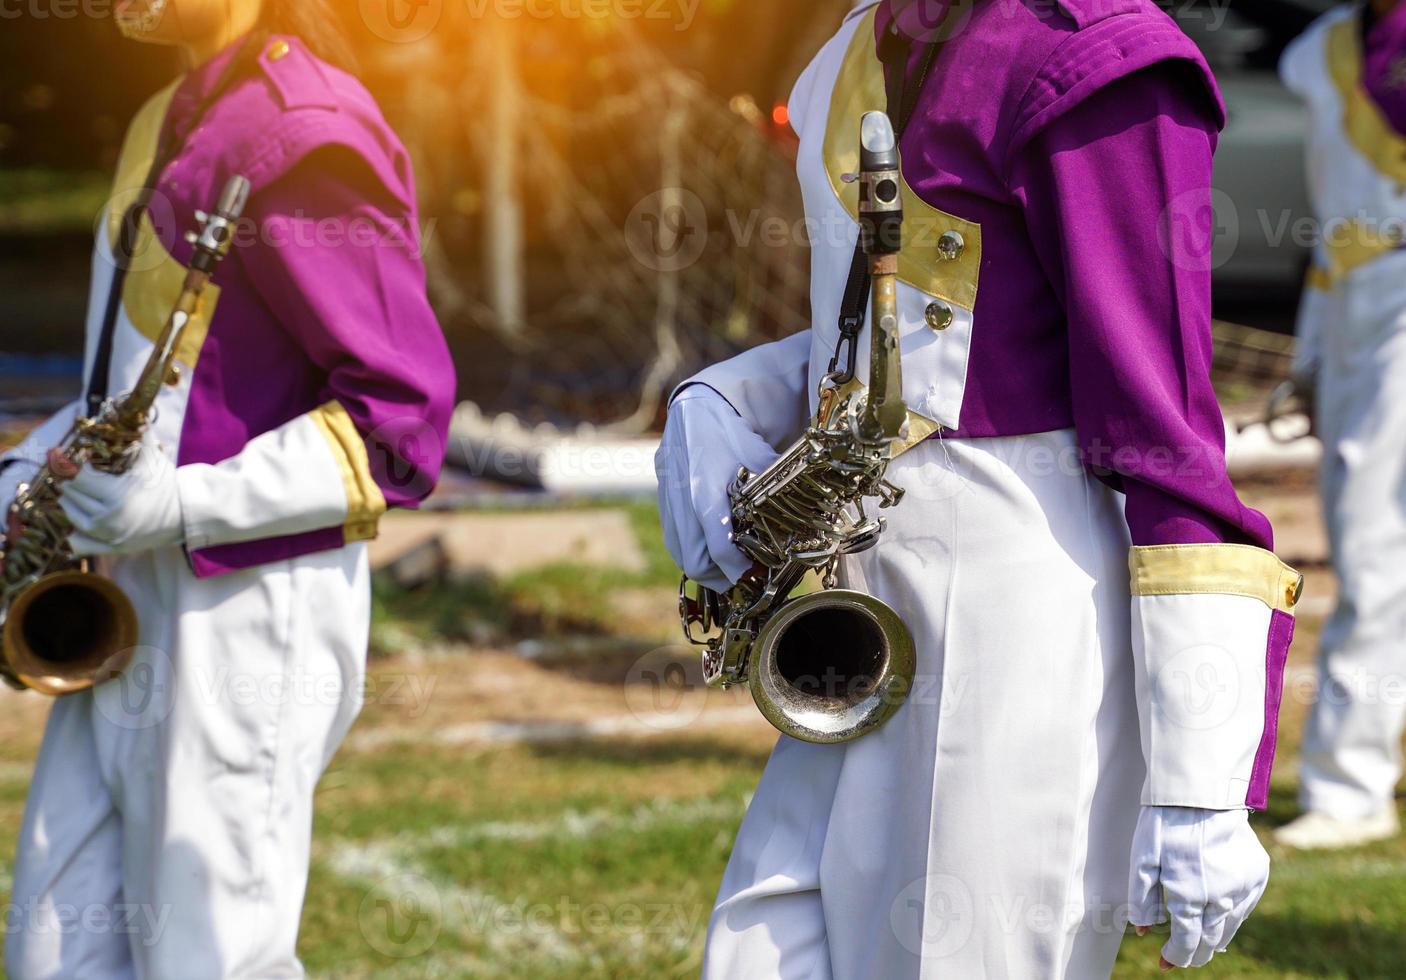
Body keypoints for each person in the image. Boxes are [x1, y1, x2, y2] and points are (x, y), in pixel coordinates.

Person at [656, 0, 1302, 975]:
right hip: (858, 597)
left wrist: (1198, 778)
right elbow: (898, 332)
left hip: (1020, 612)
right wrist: (727, 399)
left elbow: (1162, 430)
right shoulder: (861, 41)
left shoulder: (1097, 59)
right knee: (759, 949)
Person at [0, 0, 455, 975]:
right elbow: (135, 384)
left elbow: (401, 424)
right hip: (131, 586)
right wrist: (29, 469)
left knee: (210, 958)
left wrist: (176, 504)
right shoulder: (168, 108)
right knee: (55, 951)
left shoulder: (307, 128)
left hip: (244, 604)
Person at [1275, 0, 1406, 851]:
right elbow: (1331, 229)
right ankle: (1353, 783)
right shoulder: (1323, 48)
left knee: (1376, 538)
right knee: (1369, 541)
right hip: (1363, 300)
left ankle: (1355, 784)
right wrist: (1310, 359)